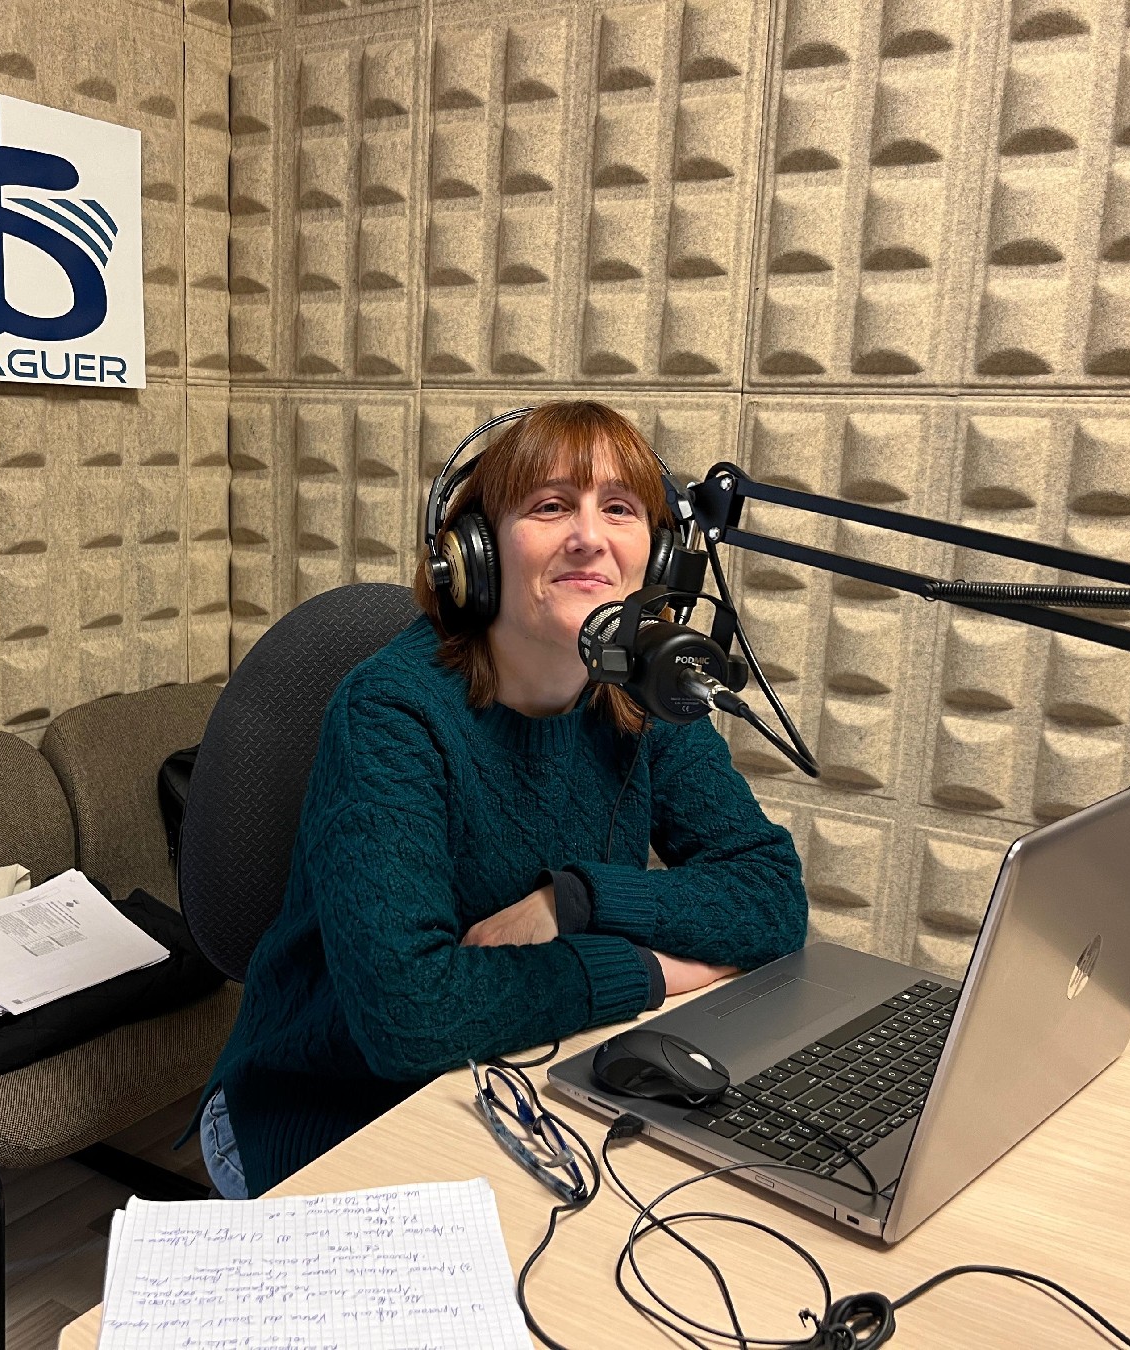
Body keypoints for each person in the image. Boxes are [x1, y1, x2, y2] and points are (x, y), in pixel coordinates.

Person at [194, 401, 807, 1199]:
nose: (589, 536)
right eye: (551, 506)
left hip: (512, 1073)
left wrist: (573, 902)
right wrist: (649, 970)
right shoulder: (392, 711)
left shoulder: (643, 697)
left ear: (657, 559)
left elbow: (772, 898)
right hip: (327, 1107)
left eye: (619, 509)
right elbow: (411, 1015)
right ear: (474, 552)